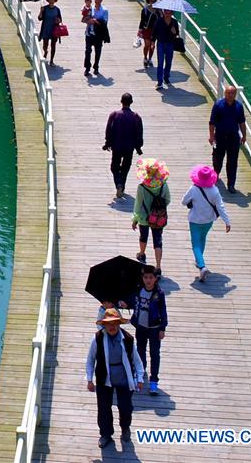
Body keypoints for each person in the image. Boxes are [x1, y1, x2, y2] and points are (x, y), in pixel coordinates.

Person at [86, 308, 144, 449]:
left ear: (119, 323)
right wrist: (89, 379)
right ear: (104, 325)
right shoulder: (97, 338)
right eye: (109, 324)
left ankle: (125, 428)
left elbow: (136, 360)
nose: (112, 327)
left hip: (124, 377)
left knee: (126, 407)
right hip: (104, 377)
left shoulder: (128, 339)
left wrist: (140, 378)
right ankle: (105, 434)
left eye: (115, 323)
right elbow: (90, 360)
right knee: (103, 408)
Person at [182, 164, 231, 282]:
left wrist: (191, 201)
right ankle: (199, 261)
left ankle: (202, 266)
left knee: (195, 244)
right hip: (208, 220)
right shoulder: (215, 190)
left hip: (195, 220)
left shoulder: (193, 189)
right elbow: (220, 207)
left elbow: (184, 202)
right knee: (202, 239)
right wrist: (227, 221)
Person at [127, 265, 167, 396]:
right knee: (140, 352)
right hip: (141, 327)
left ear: (155, 278)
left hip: (154, 329)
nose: (148, 280)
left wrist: (162, 328)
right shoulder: (138, 291)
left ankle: (154, 381)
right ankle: (140, 374)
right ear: (142, 278)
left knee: (154, 354)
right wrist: (126, 304)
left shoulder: (159, 294)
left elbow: (163, 312)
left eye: (151, 277)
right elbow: (132, 302)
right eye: (145, 277)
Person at [132, 158, 170, 273]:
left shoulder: (141, 187)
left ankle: (142, 254)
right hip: (158, 218)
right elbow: (167, 200)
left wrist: (135, 219)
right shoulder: (163, 185)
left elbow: (138, 204)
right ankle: (158, 266)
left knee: (143, 237)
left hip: (144, 217)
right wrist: (158, 208)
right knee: (158, 241)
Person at [104, 93, 144, 198]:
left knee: (114, 167)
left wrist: (107, 143)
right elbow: (139, 133)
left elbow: (108, 130)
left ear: (121, 101)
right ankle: (121, 186)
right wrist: (138, 147)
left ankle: (119, 184)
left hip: (116, 146)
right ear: (131, 102)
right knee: (125, 168)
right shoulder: (136, 117)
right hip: (129, 147)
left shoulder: (114, 115)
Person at [209, 86, 246, 193]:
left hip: (233, 138)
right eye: (228, 93)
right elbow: (212, 122)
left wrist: (244, 135)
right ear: (225, 93)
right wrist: (211, 136)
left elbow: (242, 122)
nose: (230, 95)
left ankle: (231, 184)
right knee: (217, 159)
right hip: (220, 137)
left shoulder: (239, 106)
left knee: (232, 162)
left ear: (235, 94)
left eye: (232, 93)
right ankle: (216, 174)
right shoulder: (218, 105)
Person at [152, 8, 179, 89]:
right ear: (163, 13)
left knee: (168, 62)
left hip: (170, 44)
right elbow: (154, 32)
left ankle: (166, 78)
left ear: (172, 13)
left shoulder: (174, 22)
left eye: (169, 13)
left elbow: (177, 34)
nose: (167, 14)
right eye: (165, 12)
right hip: (160, 44)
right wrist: (153, 43)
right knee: (160, 63)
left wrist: (174, 32)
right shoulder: (159, 21)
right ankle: (159, 82)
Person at [82, 0, 109, 76]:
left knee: (98, 51)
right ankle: (87, 68)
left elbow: (104, 23)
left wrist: (95, 21)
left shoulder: (104, 10)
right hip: (89, 33)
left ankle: (96, 67)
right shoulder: (90, 8)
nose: (97, 1)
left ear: (101, 0)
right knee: (87, 51)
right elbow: (83, 20)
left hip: (99, 34)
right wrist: (88, 21)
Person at [38, 0, 62, 66]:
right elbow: (39, 18)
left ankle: (51, 60)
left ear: (55, 0)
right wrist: (41, 11)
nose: (51, 1)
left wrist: (58, 20)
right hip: (46, 29)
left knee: (53, 45)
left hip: (54, 30)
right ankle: (45, 52)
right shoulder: (44, 8)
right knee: (45, 45)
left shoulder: (57, 9)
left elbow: (60, 19)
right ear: (48, 0)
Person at [138, 0, 159, 68]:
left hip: (155, 31)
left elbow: (160, 20)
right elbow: (142, 20)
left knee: (152, 46)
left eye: (154, 0)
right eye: (151, 0)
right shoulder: (145, 10)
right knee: (147, 45)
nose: (152, 1)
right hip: (146, 30)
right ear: (148, 1)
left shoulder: (158, 10)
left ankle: (150, 59)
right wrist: (139, 30)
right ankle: (145, 58)